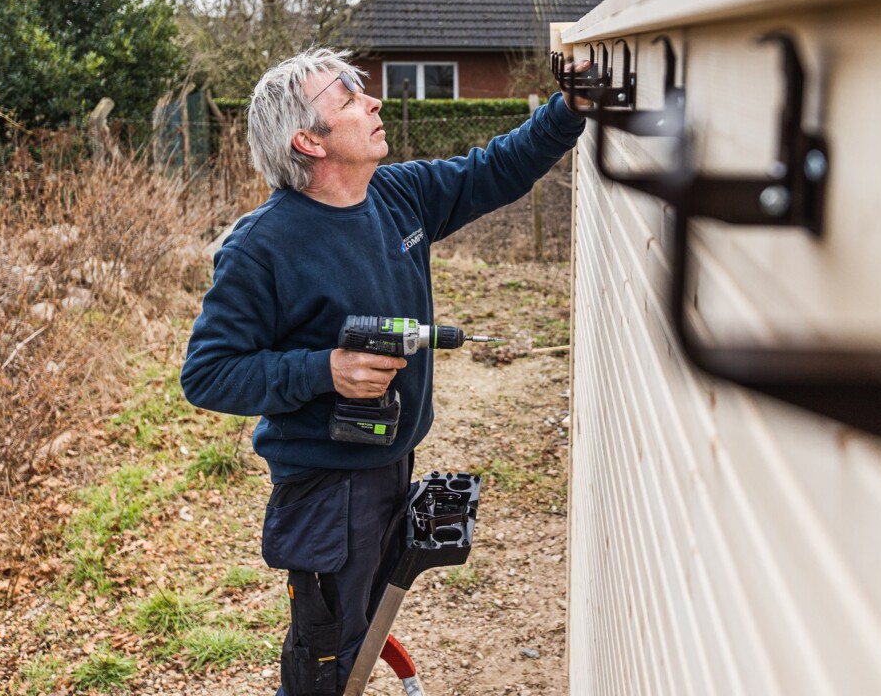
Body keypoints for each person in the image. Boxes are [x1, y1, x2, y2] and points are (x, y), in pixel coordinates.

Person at [181, 46, 586, 695]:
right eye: (348, 100)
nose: (372, 102)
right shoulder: (262, 248)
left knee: (363, 639)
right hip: (325, 494)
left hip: (391, 462)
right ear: (309, 141)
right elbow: (207, 373)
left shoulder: (396, 196)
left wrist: (568, 110)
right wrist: (326, 370)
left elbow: (495, 170)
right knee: (326, 667)